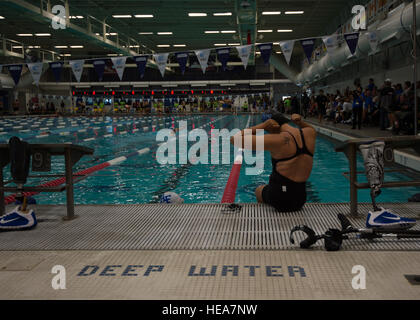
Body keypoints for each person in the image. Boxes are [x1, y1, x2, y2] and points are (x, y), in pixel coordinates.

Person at [230, 113, 316, 212]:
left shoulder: (278, 139)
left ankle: (263, 219)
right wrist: (300, 122)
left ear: (273, 128)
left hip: (280, 199)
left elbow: (234, 139)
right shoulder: (309, 133)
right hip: (300, 199)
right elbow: (311, 128)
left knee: (258, 190)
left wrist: (262, 126)